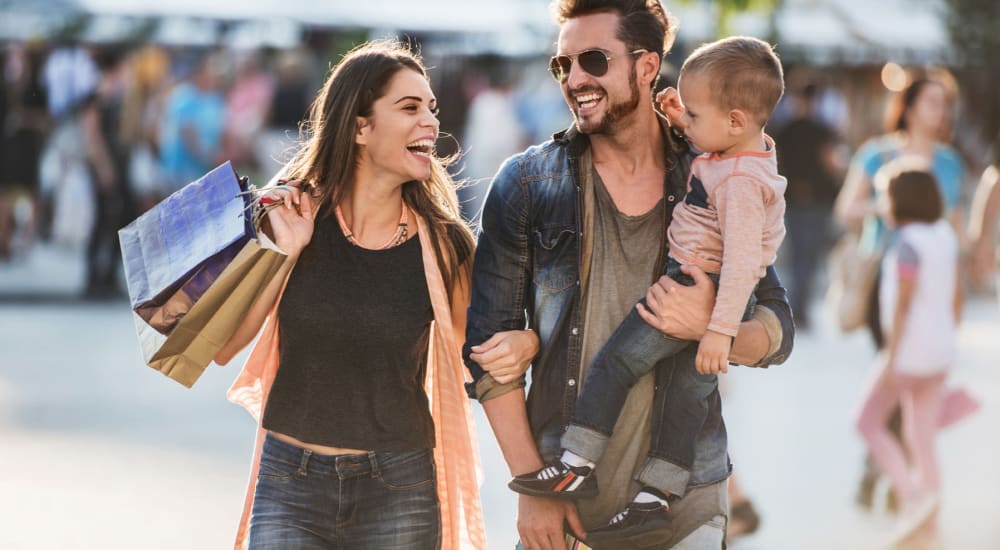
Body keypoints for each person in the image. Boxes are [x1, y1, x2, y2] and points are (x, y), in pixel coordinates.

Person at [463, 2, 795, 548]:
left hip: (685, 506)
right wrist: (534, 492)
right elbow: (487, 355)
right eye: (561, 65)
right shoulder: (526, 184)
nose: (574, 79)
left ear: (646, 67)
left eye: (593, 60)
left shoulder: (711, 170)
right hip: (565, 510)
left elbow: (777, 321)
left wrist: (715, 328)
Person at [213, 40, 487, 550]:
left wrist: (525, 345)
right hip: (290, 482)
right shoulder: (295, 214)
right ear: (360, 127)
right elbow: (226, 344)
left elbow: (481, 358)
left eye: (432, 108)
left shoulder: (444, 246)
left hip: (400, 486)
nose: (430, 121)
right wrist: (285, 250)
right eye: (409, 107)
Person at [834, 70, 965, 511]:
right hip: (883, 281)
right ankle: (892, 477)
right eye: (931, 101)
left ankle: (897, 479)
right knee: (892, 372)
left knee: (908, 379)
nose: (940, 111)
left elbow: (958, 228)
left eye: (944, 103)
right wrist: (890, 206)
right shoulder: (877, 154)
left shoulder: (950, 162)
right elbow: (846, 208)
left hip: (933, 288)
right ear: (908, 106)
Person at [855, 160, 961, 543]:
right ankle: (929, 520)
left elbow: (901, 304)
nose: (883, 204)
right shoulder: (944, 236)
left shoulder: (906, 243)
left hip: (908, 355)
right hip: (940, 354)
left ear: (902, 199)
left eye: (885, 196)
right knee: (921, 437)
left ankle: (913, 498)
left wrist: (889, 358)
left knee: (866, 422)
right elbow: (954, 295)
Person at [773, 82, 844, 328]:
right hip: (819, 198)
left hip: (791, 197)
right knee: (810, 256)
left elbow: (777, 163)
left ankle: (796, 307)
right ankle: (800, 309)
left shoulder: (783, 130)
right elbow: (831, 162)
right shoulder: (822, 130)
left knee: (796, 256)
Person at [81, 48, 135, 299]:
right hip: (105, 165)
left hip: (119, 163)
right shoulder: (98, 95)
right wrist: (104, 167)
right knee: (102, 218)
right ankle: (93, 276)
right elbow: (92, 135)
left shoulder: (118, 95)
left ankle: (109, 274)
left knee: (122, 216)